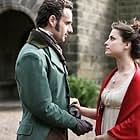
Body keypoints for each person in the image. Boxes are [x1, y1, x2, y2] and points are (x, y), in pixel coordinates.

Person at [15, 0, 93, 140]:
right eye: (67, 23)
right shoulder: (32, 55)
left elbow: (51, 93)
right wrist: (74, 123)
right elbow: (42, 106)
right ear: (52, 20)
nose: (71, 29)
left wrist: (67, 102)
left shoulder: (49, 49)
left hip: (54, 133)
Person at [74, 19, 140, 140]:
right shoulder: (111, 76)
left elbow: (136, 121)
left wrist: (108, 137)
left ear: (127, 44)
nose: (106, 42)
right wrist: (80, 110)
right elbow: (103, 112)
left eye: (112, 38)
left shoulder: (136, 79)